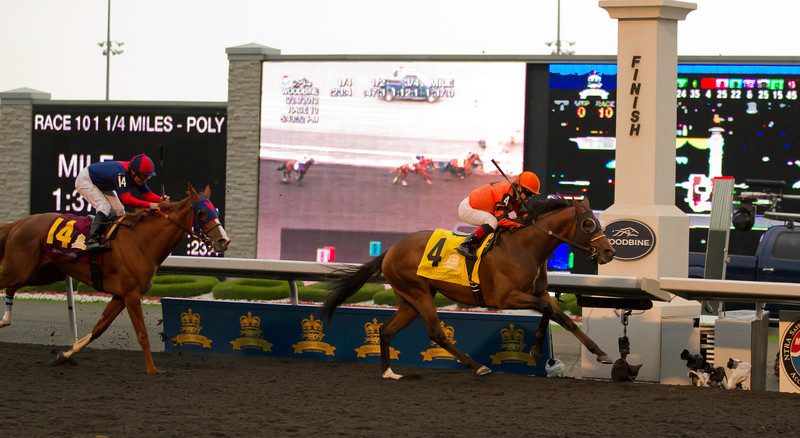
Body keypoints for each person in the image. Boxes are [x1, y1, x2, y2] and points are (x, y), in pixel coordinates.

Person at [75, 153, 168, 251]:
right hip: (86, 180)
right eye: (143, 176)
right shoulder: (121, 174)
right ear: (133, 172)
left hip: (102, 185)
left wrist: (160, 199)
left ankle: (109, 236)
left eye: (147, 177)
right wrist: (150, 205)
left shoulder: (137, 175)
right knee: (104, 206)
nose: (144, 180)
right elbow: (126, 199)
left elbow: (147, 194)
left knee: (120, 211)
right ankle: (92, 241)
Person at [455, 171, 541, 260]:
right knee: (493, 222)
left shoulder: (514, 193)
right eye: (528, 194)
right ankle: (467, 245)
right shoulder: (505, 194)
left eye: (532, 195)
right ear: (519, 188)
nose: (529, 197)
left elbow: (521, 214)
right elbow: (502, 220)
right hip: (468, 208)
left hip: (478, 207)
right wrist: (521, 223)